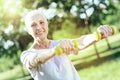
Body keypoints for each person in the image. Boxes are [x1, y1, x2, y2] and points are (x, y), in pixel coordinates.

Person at [20, 9, 113, 80]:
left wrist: (98, 35)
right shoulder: (27, 54)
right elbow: (37, 59)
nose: (39, 27)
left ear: (47, 24)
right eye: (33, 25)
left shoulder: (59, 43)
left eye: (41, 22)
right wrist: (56, 50)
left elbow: (80, 42)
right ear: (28, 30)